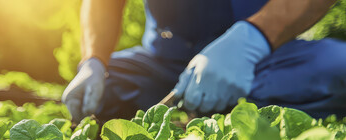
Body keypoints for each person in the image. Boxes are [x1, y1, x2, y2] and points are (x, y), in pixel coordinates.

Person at [62, 0, 346, 122]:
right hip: (162, 64)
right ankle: (221, 110)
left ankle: (219, 107)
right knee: (103, 89)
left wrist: (254, 38)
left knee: (338, 68)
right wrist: (94, 61)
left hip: (264, 59)